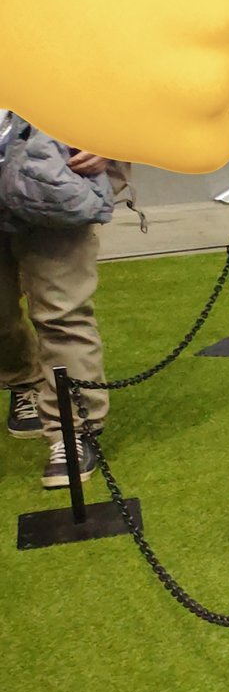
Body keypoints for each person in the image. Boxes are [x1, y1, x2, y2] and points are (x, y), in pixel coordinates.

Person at [0, 114, 118, 489]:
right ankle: (23, 383)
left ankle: (73, 431)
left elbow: (133, 92)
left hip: (52, 177)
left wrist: (112, 142)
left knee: (62, 313)